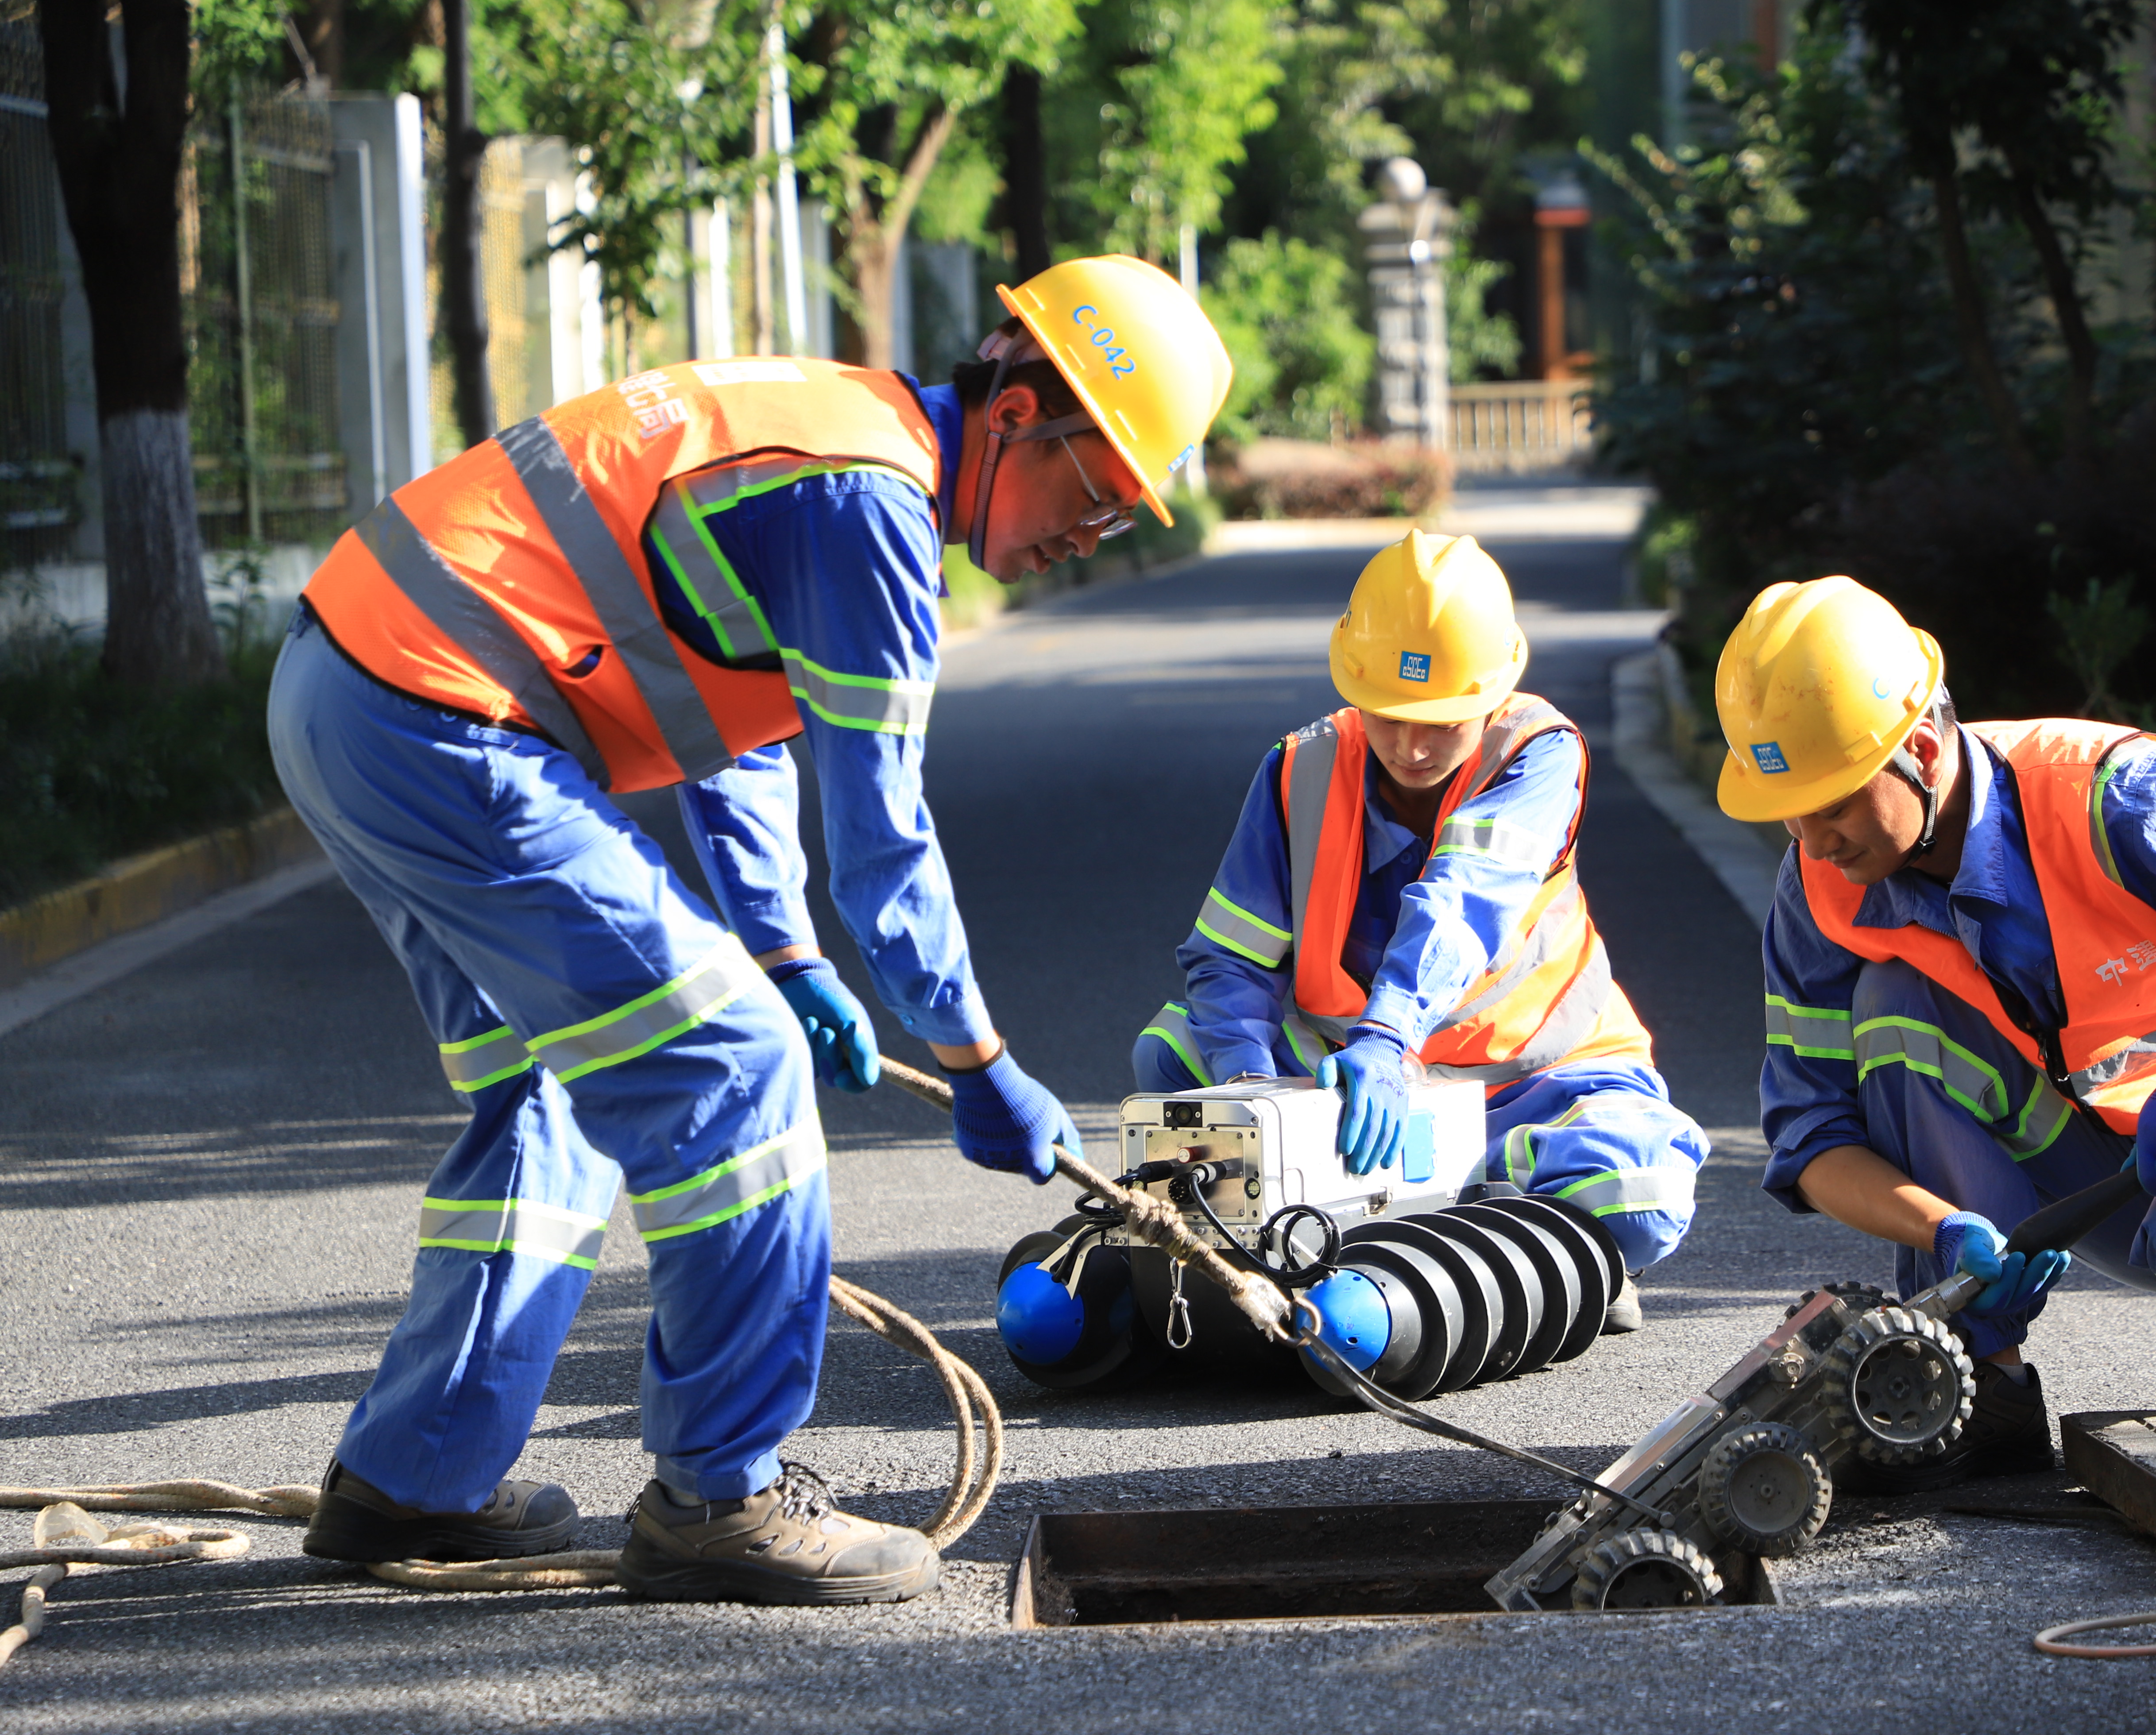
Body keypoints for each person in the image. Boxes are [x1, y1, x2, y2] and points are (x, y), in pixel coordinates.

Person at [267, 256, 1232, 1602]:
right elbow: (885, 841)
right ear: (1018, 413)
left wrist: (784, 954)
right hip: (443, 716)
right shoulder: (871, 500)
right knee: (736, 1068)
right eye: (1100, 491)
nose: (1096, 529)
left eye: (1127, 515)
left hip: (348, 690)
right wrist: (977, 1060)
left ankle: (413, 1482)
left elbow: (730, 717)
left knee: (552, 1089)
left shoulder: (833, 431)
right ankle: (723, 1497)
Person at [1716, 577, 2156, 1491]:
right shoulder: (1819, 889)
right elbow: (1812, 1137)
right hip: (2101, 1158)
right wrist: (1945, 1232)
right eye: (1792, 810)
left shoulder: (2113, 796)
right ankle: (1984, 1386)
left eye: (1834, 803)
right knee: (1894, 1005)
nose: (1813, 842)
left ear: (1926, 746)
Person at [1132, 530, 1710, 1317]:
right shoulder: (1300, 767)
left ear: (1493, 694)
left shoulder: (1538, 752)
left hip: (1530, 1076)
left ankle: (1463, 1197)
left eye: (1444, 721)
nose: (1411, 745)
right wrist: (1254, 1088)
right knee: (1172, 1058)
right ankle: (1491, 1236)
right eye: (1391, 714)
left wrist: (1389, 1036)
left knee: (1636, 1197)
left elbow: (1463, 902)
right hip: (1349, 1081)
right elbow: (1229, 958)